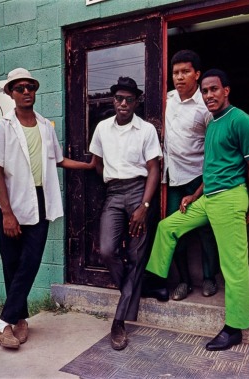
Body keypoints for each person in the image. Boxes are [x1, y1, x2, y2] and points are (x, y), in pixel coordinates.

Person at [145, 69, 249, 351]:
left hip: (230, 198)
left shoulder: (241, 121)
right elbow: (211, 169)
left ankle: (234, 328)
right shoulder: (212, 123)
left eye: (214, 89)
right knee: (167, 227)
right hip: (209, 196)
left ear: (226, 90)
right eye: (205, 91)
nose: (209, 95)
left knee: (234, 265)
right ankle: (155, 281)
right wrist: (194, 194)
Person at [0, 68, 95, 349]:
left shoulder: (45, 126)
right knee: (12, 266)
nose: (26, 92)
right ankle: (18, 321)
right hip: (10, 203)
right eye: (19, 88)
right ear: (11, 93)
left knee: (30, 262)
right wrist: (7, 213)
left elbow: (58, 160)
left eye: (30, 87)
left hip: (40, 201)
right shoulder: (2, 127)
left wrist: (88, 166)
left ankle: (1, 325)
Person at [89, 77, 162, 350]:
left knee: (135, 255)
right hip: (114, 193)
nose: (123, 103)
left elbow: (154, 168)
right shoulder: (102, 128)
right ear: (113, 100)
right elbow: (96, 163)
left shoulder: (145, 130)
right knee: (107, 250)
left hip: (139, 192)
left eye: (129, 99)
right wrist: (111, 179)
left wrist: (143, 206)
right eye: (119, 98)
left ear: (136, 102)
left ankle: (118, 322)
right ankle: (135, 290)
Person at [162, 49, 219, 301]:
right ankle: (183, 281)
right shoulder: (166, 100)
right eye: (175, 72)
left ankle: (209, 278)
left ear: (197, 74)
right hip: (173, 179)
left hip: (198, 177)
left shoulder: (206, 107)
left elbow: (213, 145)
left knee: (207, 230)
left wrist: (206, 183)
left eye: (185, 71)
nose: (180, 77)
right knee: (176, 231)